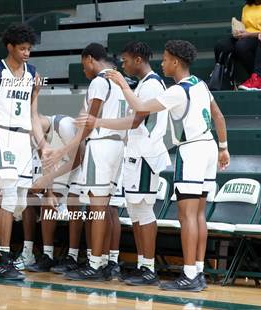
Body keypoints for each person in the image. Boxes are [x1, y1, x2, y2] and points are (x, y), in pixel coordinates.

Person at [105, 40, 230, 292]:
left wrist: (120, 83)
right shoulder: (201, 84)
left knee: (187, 216)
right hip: (208, 147)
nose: (162, 63)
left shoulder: (178, 90)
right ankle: (199, 272)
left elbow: (140, 107)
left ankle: (189, 274)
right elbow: (218, 115)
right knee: (199, 215)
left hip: (192, 149)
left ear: (175, 61)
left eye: (164, 59)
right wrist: (224, 147)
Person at [76, 41, 171, 285]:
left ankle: (148, 268)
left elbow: (136, 121)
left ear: (138, 59)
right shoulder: (143, 84)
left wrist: (99, 123)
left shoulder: (150, 84)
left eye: (127, 60)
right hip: (134, 153)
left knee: (143, 211)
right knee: (137, 212)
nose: (123, 65)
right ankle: (142, 266)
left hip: (145, 154)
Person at [0, 23, 48, 280]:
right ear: (10, 47)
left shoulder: (34, 75)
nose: (27, 53)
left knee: (21, 204)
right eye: (22, 48)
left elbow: (33, 115)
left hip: (24, 139)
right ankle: (3, 259)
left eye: (29, 49)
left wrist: (42, 144)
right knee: (10, 197)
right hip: (2, 134)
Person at [43, 43, 127, 281]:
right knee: (108, 208)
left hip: (100, 146)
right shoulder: (122, 82)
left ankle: (95, 264)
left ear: (91, 59)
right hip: (118, 146)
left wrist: (64, 151)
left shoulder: (99, 81)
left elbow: (89, 124)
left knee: (97, 208)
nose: (85, 70)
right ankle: (108, 262)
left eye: (84, 65)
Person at [21, 114, 82, 273]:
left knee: (73, 202)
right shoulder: (35, 135)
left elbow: (77, 159)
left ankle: (73, 257)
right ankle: (47, 256)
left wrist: (49, 178)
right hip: (59, 168)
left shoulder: (64, 125)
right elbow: (46, 163)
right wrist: (49, 192)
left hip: (81, 164)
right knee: (48, 202)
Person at [214, 0, 261, 90]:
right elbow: (246, 27)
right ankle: (224, 79)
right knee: (222, 45)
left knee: (242, 46)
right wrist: (238, 31)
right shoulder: (246, 7)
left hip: (260, 37)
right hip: (247, 36)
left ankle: (257, 79)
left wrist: (248, 34)